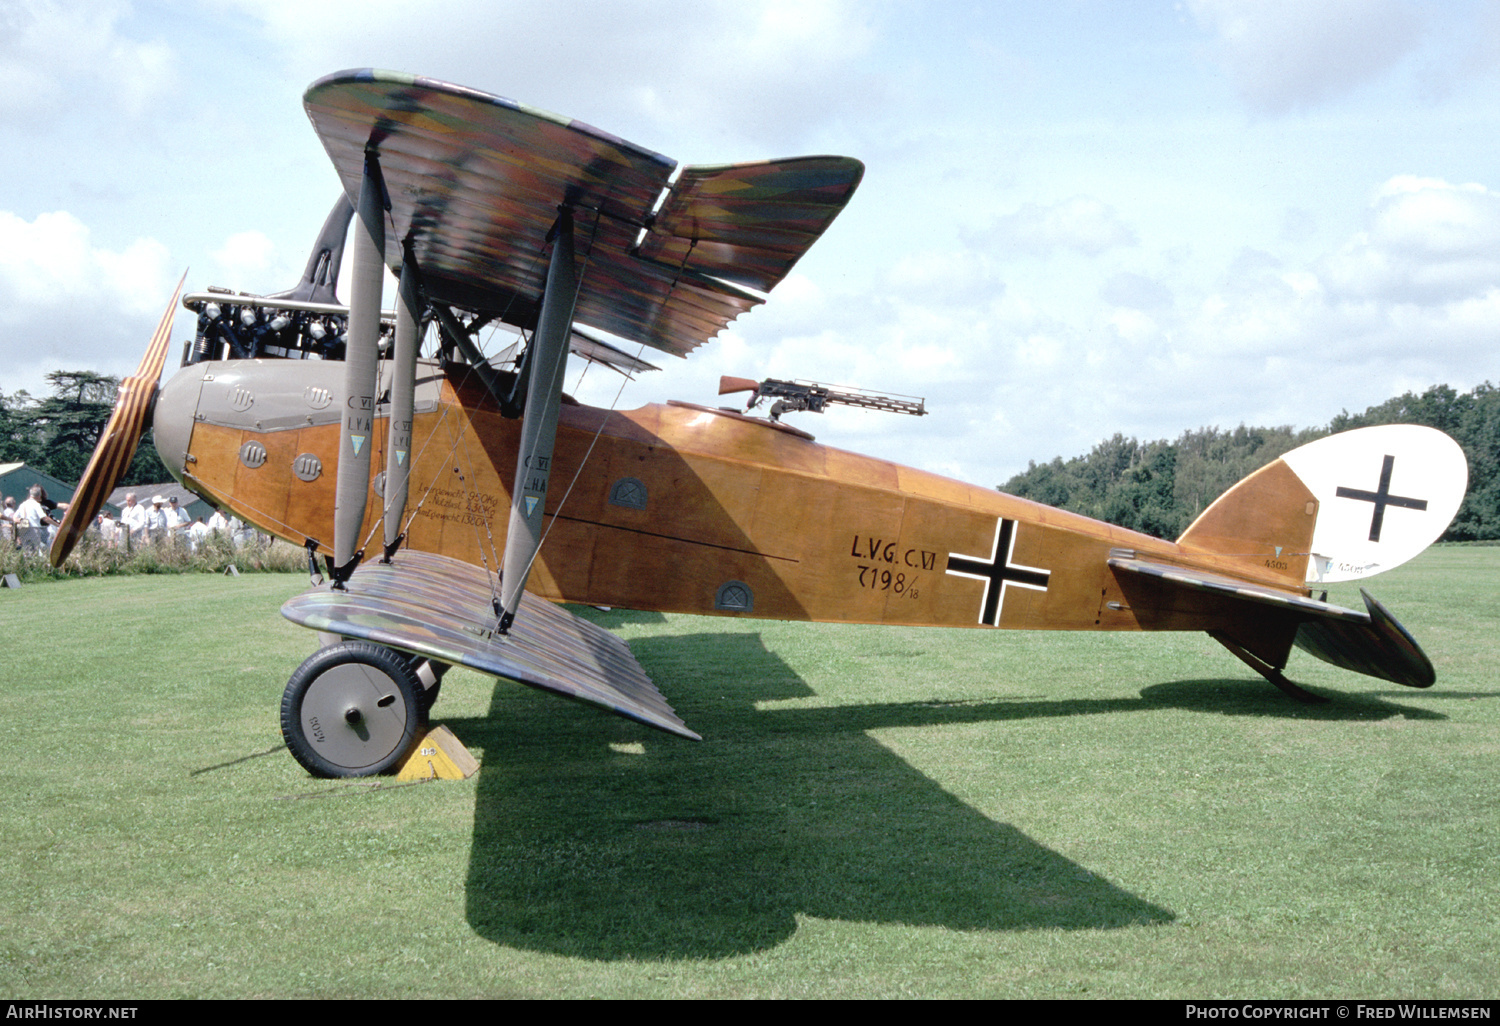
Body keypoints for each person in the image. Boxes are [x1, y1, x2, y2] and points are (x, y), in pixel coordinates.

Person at [15, 486, 57, 555]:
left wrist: (21, 520)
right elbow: (44, 518)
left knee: (27, 550)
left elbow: (15, 517)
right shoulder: (36, 504)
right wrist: (57, 524)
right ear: (39, 495)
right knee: (35, 551)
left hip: (23, 529)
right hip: (33, 529)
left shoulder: (23, 504)